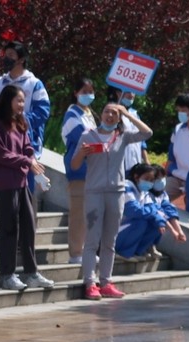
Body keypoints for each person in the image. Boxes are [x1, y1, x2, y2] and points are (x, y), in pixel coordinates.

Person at [70, 102, 153, 300]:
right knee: (92, 240)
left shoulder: (122, 136)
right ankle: (90, 283)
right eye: (107, 111)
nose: (110, 115)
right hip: (94, 193)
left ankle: (106, 282)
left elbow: (147, 133)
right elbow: (74, 165)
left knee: (110, 241)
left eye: (115, 113)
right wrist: (82, 153)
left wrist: (128, 114)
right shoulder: (87, 135)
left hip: (116, 193)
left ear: (119, 118)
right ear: (101, 114)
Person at [0, 84, 52, 291]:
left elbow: (27, 147)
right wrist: (26, 160)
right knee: (8, 228)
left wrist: (32, 161)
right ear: (8, 101)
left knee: (28, 227)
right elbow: (0, 154)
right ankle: (7, 275)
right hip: (5, 184)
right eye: (19, 100)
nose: (22, 104)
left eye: (24, 100)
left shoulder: (20, 122)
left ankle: (31, 272)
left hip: (23, 182)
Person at [0, 41, 50, 156]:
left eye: (11, 55)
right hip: (2, 142)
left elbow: (42, 112)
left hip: (27, 145)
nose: (6, 58)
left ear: (21, 59)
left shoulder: (34, 84)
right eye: (5, 55)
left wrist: (19, 122)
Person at [115, 163, 185, 260]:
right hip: (114, 231)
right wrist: (154, 213)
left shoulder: (144, 192)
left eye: (152, 180)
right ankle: (122, 252)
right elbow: (134, 210)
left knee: (156, 223)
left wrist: (160, 222)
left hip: (125, 227)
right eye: (146, 178)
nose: (149, 182)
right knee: (141, 222)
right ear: (136, 176)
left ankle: (137, 252)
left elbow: (155, 210)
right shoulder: (127, 186)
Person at [61, 78, 96, 265]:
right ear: (75, 93)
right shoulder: (72, 115)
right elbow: (85, 138)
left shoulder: (89, 113)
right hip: (78, 170)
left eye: (91, 91)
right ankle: (75, 253)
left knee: (90, 214)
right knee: (78, 213)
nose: (88, 95)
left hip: (92, 170)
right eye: (84, 91)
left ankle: (87, 249)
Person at [107, 87, 149, 176]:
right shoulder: (111, 114)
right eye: (128, 91)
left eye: (134, 91)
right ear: (118, 93)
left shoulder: (134, 114)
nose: (131, 95)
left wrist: (147, 162)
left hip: (136, 167)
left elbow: (142, 142)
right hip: (120, 167)